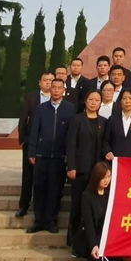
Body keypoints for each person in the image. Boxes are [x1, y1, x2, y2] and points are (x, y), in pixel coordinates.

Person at [27, 78, 75, 234]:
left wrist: (69, 155)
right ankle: (38, 220)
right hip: (42, 156)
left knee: (55, 190)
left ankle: (51, 220)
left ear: (64, 90)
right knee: (39, 189)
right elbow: (34, 131)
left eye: (59, 87)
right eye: (53, 87)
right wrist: (32, 151)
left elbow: (71, 135)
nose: (56, 90)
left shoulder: (70, 109)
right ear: (50, 89)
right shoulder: (41, 108)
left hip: (59, 158)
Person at [65, 90, 106, 254]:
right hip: (80, 170)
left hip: (96, 173)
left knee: (93, 208)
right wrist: (71, 166)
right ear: (85, 101)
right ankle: (74, 242)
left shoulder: (103, 121)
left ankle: (92, 242)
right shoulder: (77, 120)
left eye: (97, 100)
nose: (94, 102)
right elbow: (71, 144)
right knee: (77, 207)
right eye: (91, 99)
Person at [75, 161, 124, 261]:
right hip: (90, 236)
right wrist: (93, 245)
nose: (106, 180)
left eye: (108, 176)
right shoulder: (87, 196)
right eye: (103, 177)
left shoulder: (109, 193)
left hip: (106, 236)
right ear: (96, 177)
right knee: (97, 243)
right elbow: (88, 224)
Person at [15, 72, 53, 218]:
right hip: (32, 143)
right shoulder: (31, 97)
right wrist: (23, 139)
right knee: (28, 176)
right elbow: (23, 119)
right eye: (45, 80)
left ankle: (44, 207)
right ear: (40, 82)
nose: (48, 83)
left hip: (50, 144)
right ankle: (23, 205)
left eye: (50, 80)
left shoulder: (57, 98)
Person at [103, 89, 131, 159]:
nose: (127, 101)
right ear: (120, 101)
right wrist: (108, 151)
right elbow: (106, 140)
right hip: (116, 160)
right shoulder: (112, 119)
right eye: (124, 98)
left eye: (130, 98)